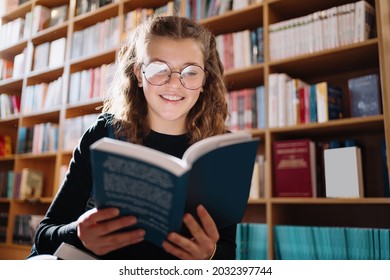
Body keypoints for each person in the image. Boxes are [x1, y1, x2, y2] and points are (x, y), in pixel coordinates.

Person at [30, 15, 235, 260]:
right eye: (160, 69)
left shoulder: (221, 150)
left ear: (204, 80)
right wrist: (78, 233)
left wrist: (210, 255)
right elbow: (43, 236)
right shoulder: (102, 134)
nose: (173, 83)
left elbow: (227, 254)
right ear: (139, 73)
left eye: (190, 72)